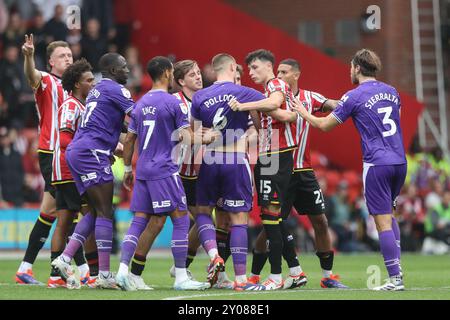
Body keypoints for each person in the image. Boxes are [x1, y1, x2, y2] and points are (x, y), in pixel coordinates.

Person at [292, 49, 407, 291]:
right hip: (399, 161)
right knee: (391, 216)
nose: (349, 71)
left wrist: (303, 113)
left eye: (350, 67)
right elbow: (396, 119)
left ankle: (395, 279)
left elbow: (324, 125)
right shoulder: (393, 91)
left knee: (382, 222)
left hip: (377, 163)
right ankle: (398, 272)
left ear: (356, 68)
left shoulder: (354, 96)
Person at [248, 58, 347, 288]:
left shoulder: (309, 98)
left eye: (284, 72)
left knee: (320, 220)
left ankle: (327, 275)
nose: (279, 76)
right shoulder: (271, 99)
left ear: (296, 75)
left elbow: (331, 103)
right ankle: (255, 274)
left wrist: (347, 104)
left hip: (303, 170)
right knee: (270, 224)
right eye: (278, 72)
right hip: (279, 168)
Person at [115, 56, 211, 291]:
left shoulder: (139, 103)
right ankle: (181, 277)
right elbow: (185, 137)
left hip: (144, 169)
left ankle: (124, 271)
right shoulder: (171, 103)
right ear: (168, 73)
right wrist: (206, 137)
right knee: (180, 219)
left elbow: (129, 140)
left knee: (139, 221)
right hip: (165, 168)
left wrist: (128, 168)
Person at [51, 53, 134, 289]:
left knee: (95, 212)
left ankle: (66, 258)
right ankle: (105, 275)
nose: (128, 70)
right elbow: (140, 114)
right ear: (113, 71)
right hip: (91, 153)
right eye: (124, 67)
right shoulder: (117, 90)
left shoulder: (97, 91)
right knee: (105, 211)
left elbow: (116, 121)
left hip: (80, 152)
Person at [190, 53, 269, 291]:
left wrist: (204, 137)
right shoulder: (242, 92)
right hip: (235, 159)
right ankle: (242, 280)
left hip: (209, 159)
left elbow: (191, 135)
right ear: (233, 67)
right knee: (238, 220)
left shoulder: (200, 96)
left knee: (203, 213)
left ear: (213, 70)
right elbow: (272, 102)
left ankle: (214, 255)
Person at [229, 49, 298, 290]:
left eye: (255, 67)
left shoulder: (275, 83)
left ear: (269, 66)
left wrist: (244, 104)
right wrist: (257, 110)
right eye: (248, 69)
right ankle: (295, 272)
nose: (251, 73)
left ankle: (276, 277)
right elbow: (271, 118)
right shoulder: (266, 91)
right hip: (270, 154)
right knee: (274, 218)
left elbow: (274, 103)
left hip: (276, 155)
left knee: (270, 217)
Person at [15, 35, 72, 285]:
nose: (67, 59)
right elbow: (31, 76)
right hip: (51, 152)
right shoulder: (47, 80)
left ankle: (27, 268)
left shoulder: (75, 87)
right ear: (50, 62)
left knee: (50, 211)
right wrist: (28, 56)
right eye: (62, 56)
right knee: (67, 209)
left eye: (70, 55)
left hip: (68, 153)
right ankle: (74, 270)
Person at [47, 59, 96, 289]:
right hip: (70, 169)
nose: (93, 83)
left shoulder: (81, 105)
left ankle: (56, 275)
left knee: (64, 222)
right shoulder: (71, 105)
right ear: (77, 84)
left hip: (67, 168)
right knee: (92, 215)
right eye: (89, 80)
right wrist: (90, 151)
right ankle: (93, 273)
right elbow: (66, 139)